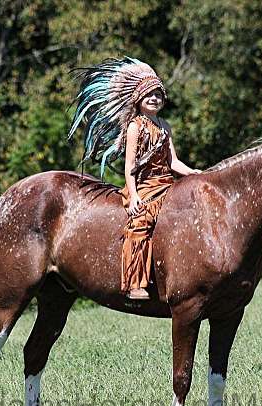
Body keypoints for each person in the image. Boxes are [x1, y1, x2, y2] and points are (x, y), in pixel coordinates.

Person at [68, 56, 201, 300]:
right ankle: (135, 283)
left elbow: (173, 162)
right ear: (138, 99)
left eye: (158, 95)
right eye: (149, 94)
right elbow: (130, 166)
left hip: (166, 182)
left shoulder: (165, 126)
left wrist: (194, 173)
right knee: (140, 223)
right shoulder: (135, 127)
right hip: (143, 185)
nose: (154, 99)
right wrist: (135, 195)